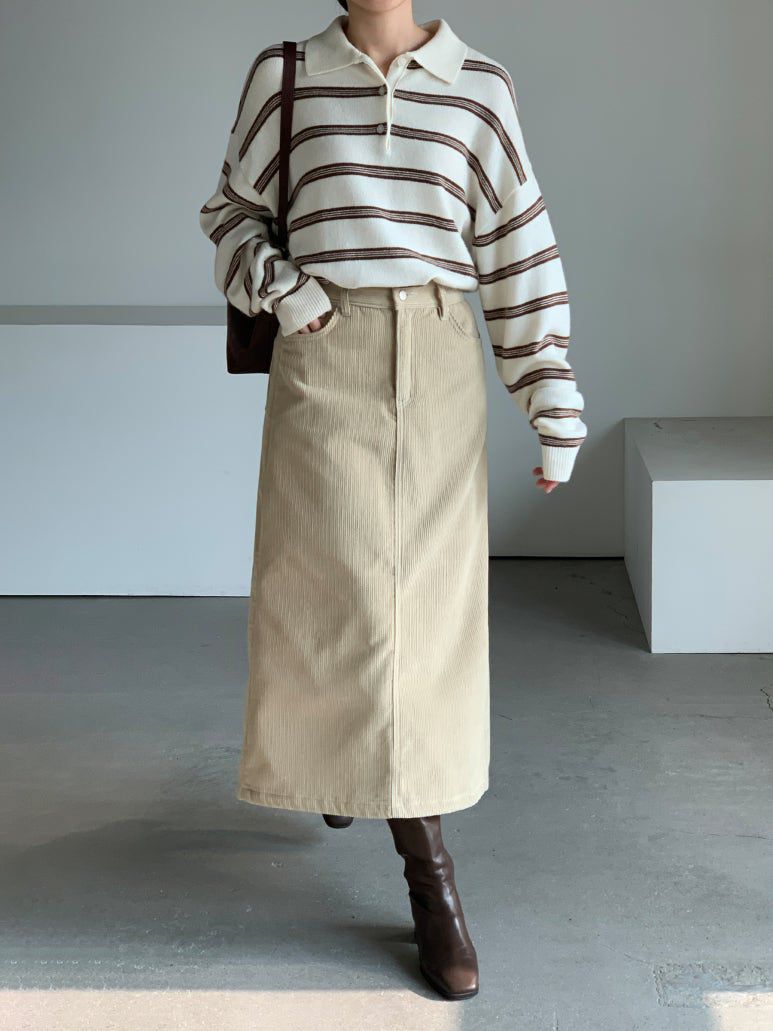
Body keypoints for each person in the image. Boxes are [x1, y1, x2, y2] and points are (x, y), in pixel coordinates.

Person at [199, 0, 587, 1001]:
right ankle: (350, 769)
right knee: (334, 593)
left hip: (441, 356)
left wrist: (550, 399)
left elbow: (516, 248)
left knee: (420, 617)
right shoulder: (285, 73)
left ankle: (428, 876)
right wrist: (289, 292)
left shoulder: (479, 86)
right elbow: (229, 216)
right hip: (324, 353)